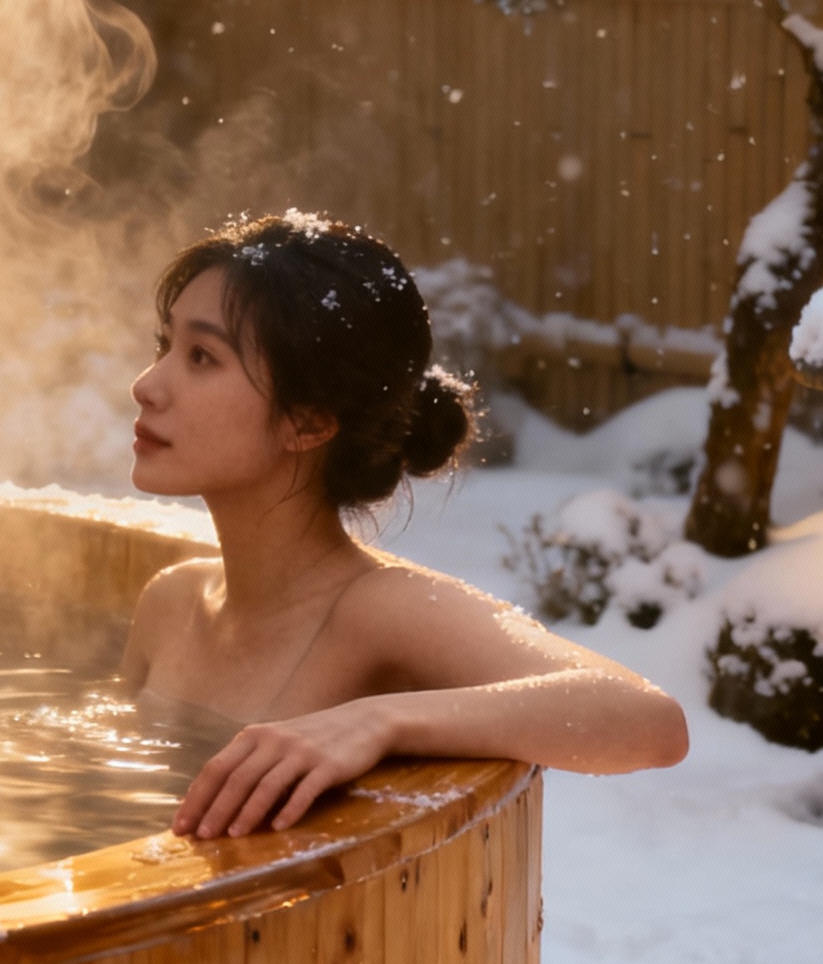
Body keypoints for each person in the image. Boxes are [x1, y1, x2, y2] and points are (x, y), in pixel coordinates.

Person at [122, 212, 688, 839]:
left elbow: (647, 721)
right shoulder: (170, 603)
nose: (146, 385)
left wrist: (377, 721)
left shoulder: (378, 609)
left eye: (202, 356)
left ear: (308, 422)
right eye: (163, 347)